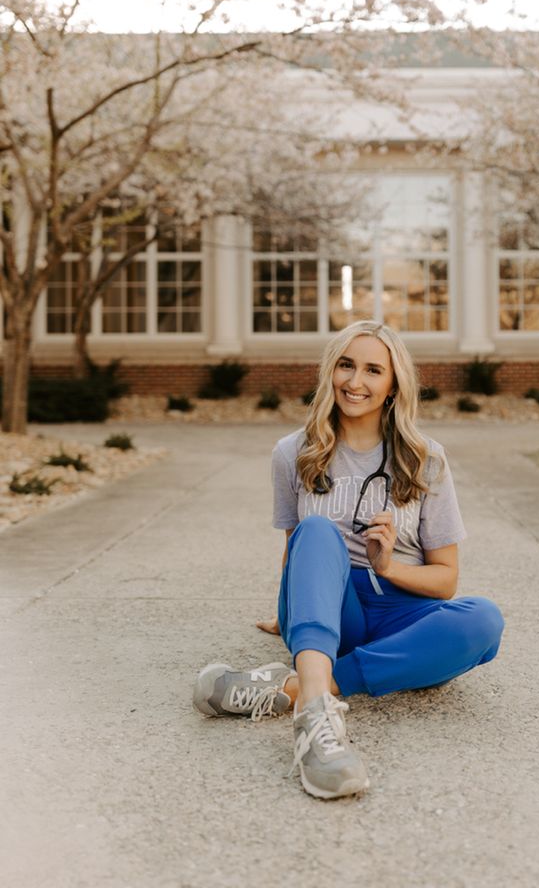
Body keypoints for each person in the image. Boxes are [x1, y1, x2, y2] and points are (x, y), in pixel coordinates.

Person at [193, 320, 504, 799]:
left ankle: (296, 688)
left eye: (372, 370)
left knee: (483, 622)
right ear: (330, 371)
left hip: (399, 607)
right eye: (345, 365)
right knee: (317, 529)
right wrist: (290, 611)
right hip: (333, 606)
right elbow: (296, 544)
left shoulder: (427, 459)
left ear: (393, 384)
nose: (355, 382)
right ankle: (316, 725)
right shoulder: (293, 452)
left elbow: (447, 581)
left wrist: (390, 567)